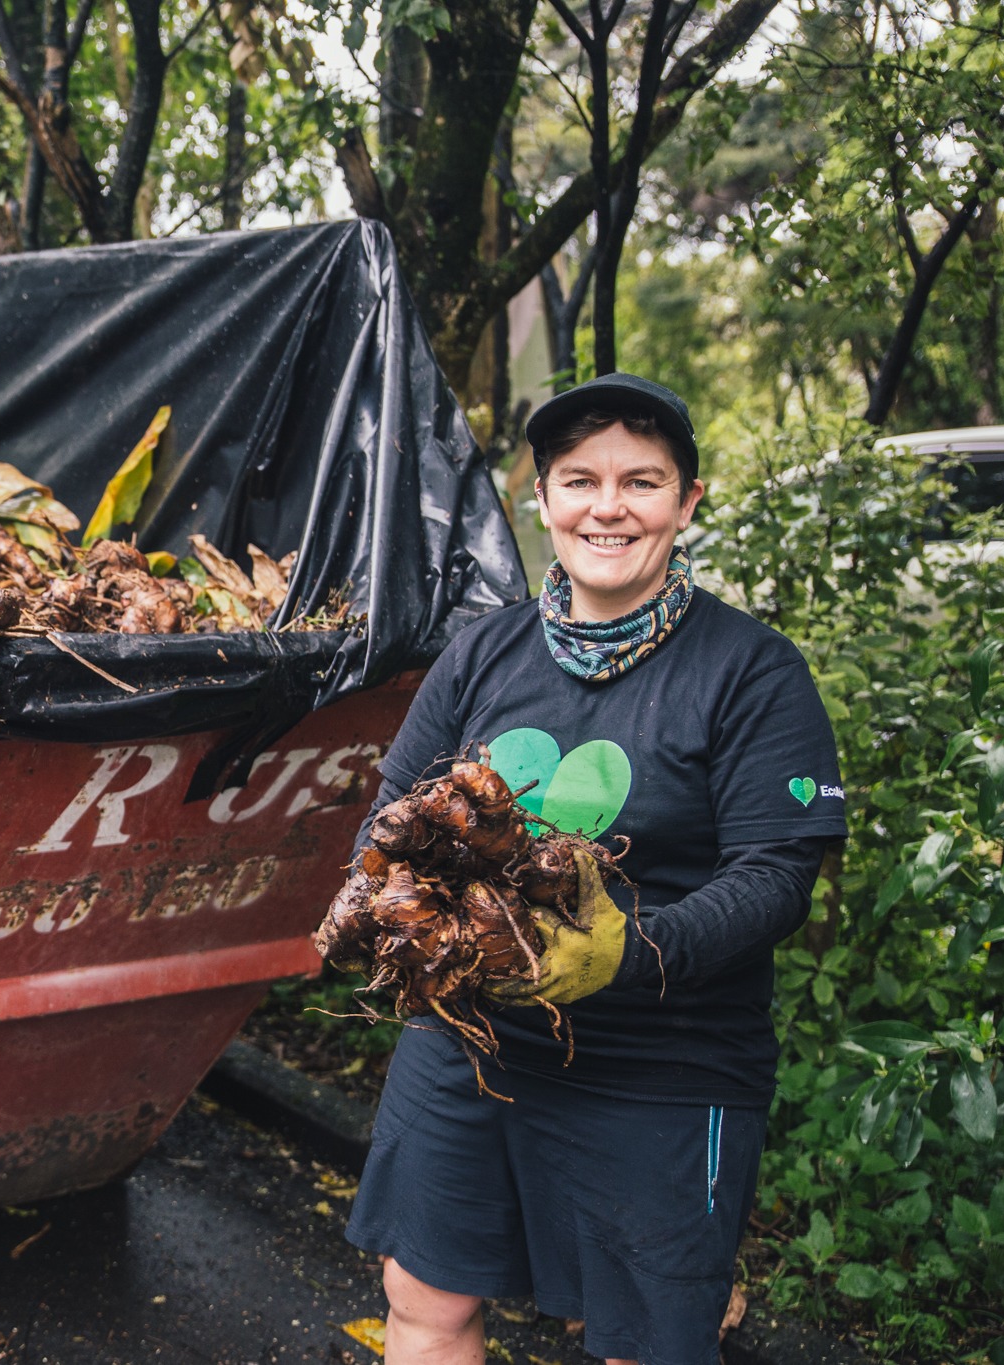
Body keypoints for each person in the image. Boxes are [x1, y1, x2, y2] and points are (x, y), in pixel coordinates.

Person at [342, 374, 847, 1365]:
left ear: (685, 502)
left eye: (640, 482)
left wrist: (628, 948)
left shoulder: (751, 673)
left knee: (645, 1343)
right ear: (542, 498)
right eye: (579, 480)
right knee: (424, 1299)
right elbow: (389, 819)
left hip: (663, 1060)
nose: (605, 507)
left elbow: (773, 876)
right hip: (472, 1037)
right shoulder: (481, 654)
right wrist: (384, 907)